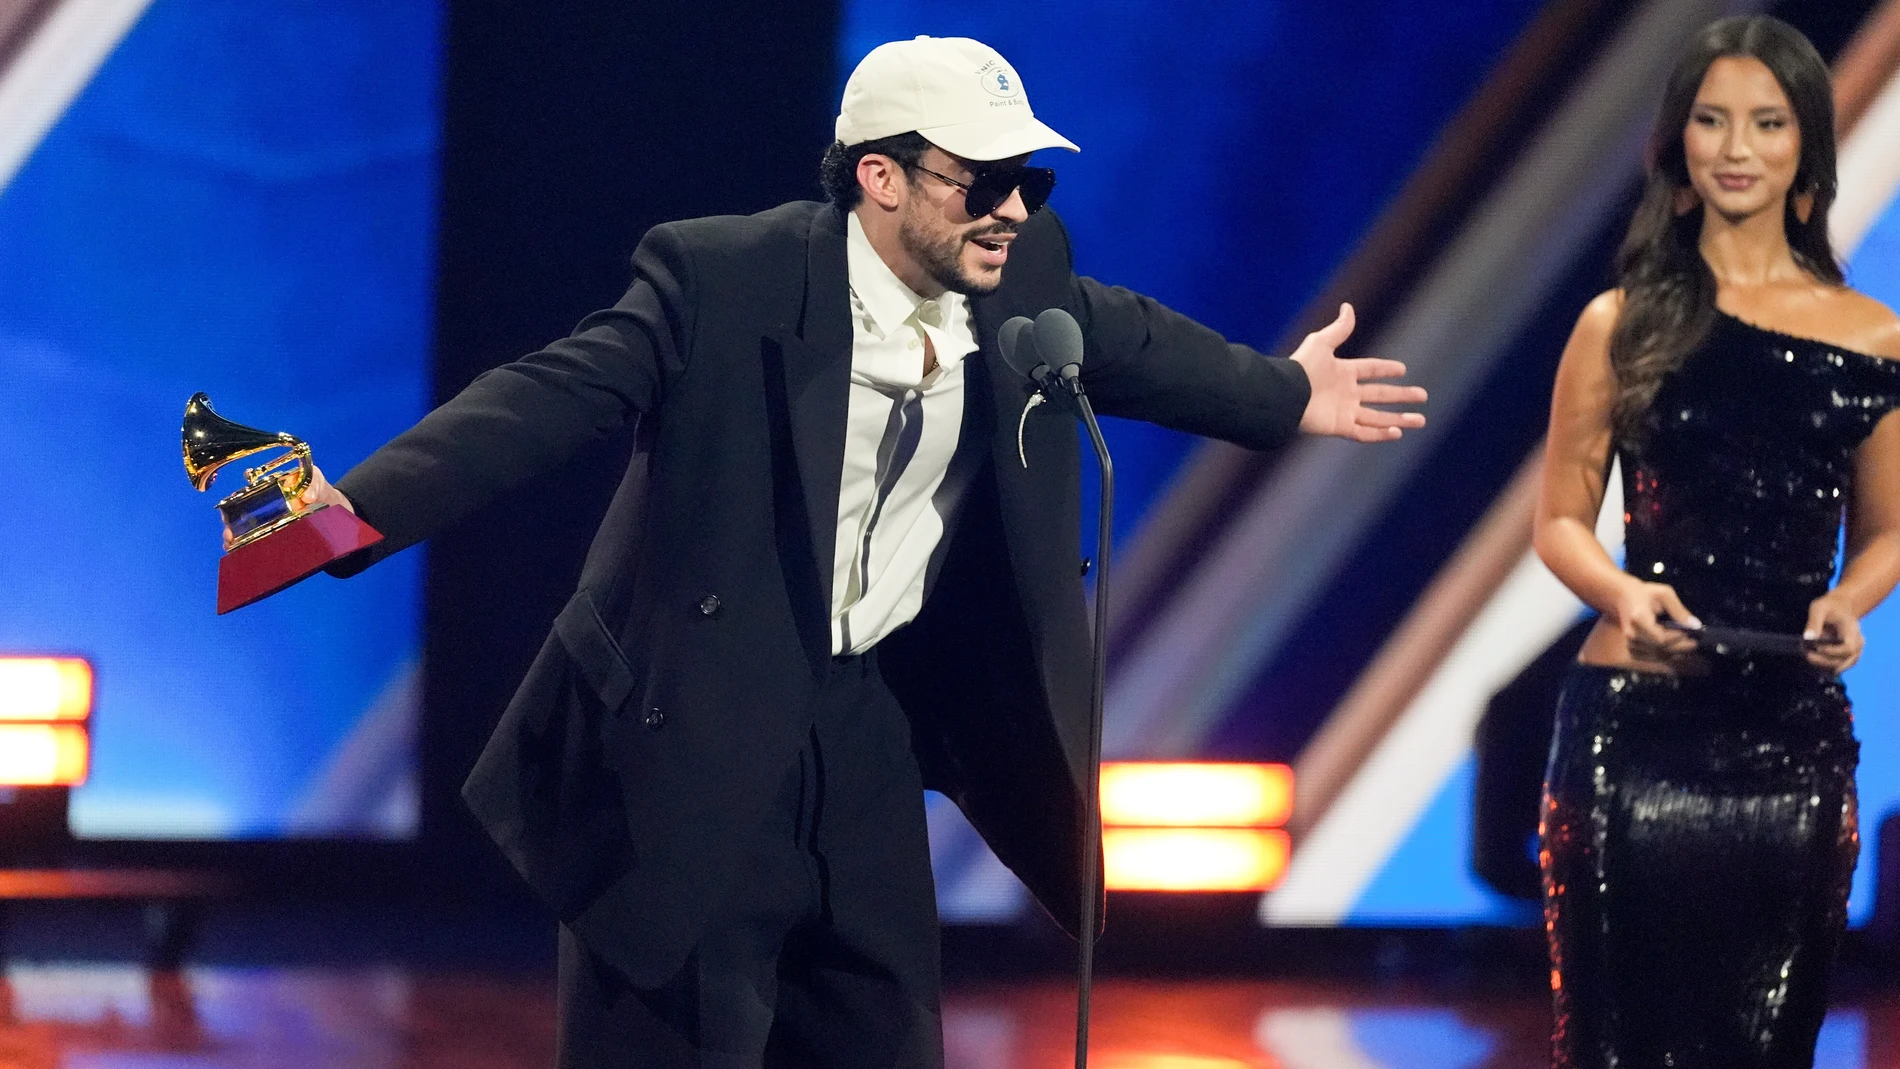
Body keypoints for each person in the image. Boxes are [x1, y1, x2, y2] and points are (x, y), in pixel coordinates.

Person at [281, 36, 1425, 1067]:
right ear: (879, 176)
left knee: (883, 1037)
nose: (1014, 210)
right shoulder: (721, 279)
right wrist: (347, 514)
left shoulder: (1014, 277)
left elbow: (1127, 339)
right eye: (980, 181)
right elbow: (544, 397)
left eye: (1030, 180)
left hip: (865, 735)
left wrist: (1286, 395)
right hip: (690, 736)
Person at [1533, 15, 1900, 1069]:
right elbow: (1559, 521)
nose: (1736, 146)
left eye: (1766, 122)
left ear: (1805, 154)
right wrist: (1619, 593)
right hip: (1630, 732)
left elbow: (1886, 534)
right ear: (1678, 149)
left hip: (1789, 745)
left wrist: (1849, 604)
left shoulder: (1872, 338)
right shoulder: (1619, 321)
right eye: (1710, 120)